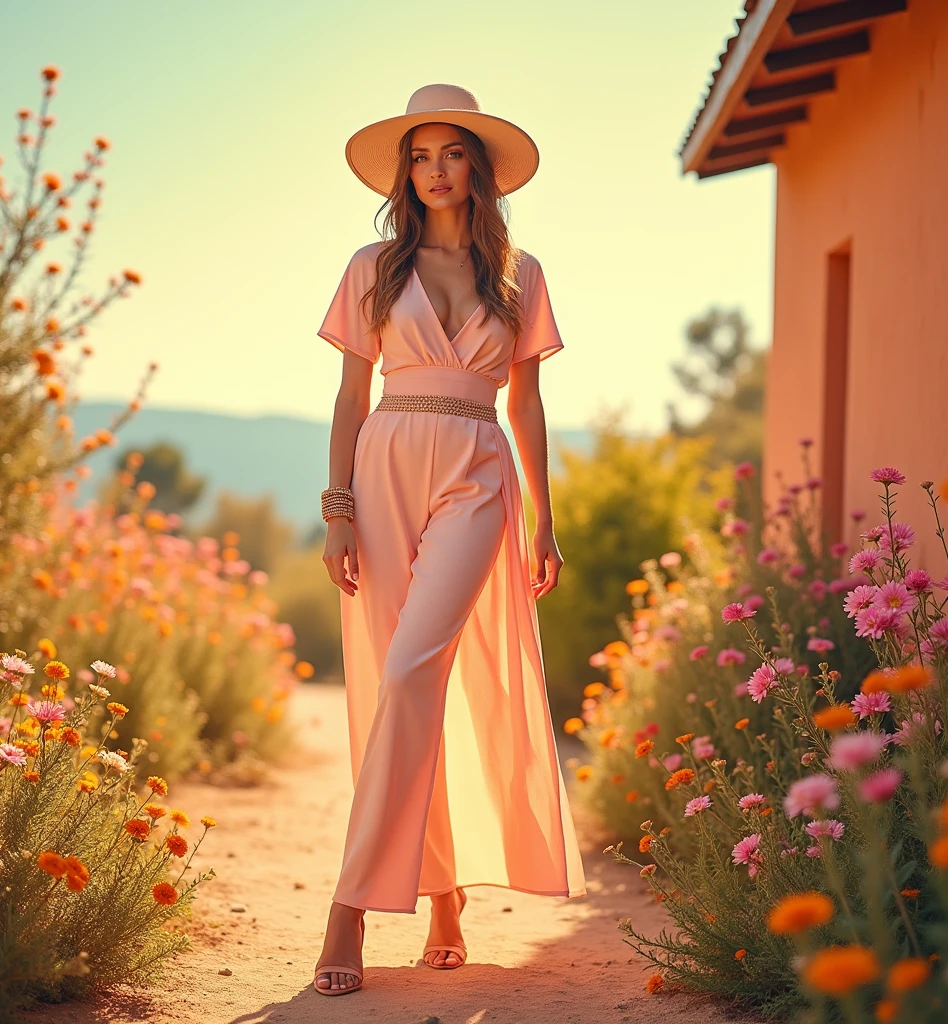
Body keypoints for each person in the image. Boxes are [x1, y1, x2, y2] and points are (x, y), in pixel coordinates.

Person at [313, 83, 586, 997]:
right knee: (407, 685)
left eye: (452, 153)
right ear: (407, 172)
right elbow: (352, 397)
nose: (435, 170)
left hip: (477, 469)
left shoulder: (521, 275)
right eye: (421, 156)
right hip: (384, 463)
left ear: (479, 167)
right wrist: (338, 506)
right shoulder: (371, 267)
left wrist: (547, 516)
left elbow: (528, 401)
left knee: (412, 669)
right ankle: (441, 893)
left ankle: (347, 908)